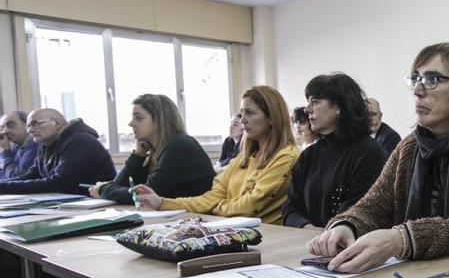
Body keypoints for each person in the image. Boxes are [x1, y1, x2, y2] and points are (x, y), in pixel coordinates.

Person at [307, 42, 449, 273]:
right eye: (416, 79)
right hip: (433, 270)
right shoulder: (410, 145)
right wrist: (348, 225)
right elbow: (373, 205)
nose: (418, 91)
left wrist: (400, 239)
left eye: (432, 79)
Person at [134, 86, 299, 225]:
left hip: (269, 236)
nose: (243, 121)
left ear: (272, 118)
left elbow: (249, 206)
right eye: (242, 114)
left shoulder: (285, 156)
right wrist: (162, 202)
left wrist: (216, 207)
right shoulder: (243, 159)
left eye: (250, 113)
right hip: (232, 229)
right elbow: (210, 198)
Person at [282, 74, 385, 229]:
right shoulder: (309, 155)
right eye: (308, 102)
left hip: (348, 244)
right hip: (307, 241)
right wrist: (307, 228)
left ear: (339, 106)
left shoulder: (369, 153)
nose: (307, 109)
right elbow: (289, 208)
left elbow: (360, 211)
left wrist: (326, 234)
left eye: (315, 102)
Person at [89, 94, 215, 204]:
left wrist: (103, 189)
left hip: (201, 220)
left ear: (160, 121)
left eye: (138, 118)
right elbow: (121, 186)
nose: (131, 123)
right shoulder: (155, 150)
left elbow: (145, 195)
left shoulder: (180, 145)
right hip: (179, 218)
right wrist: (138, 156)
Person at [0, 108, 115, 194]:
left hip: (95, 206)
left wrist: (3, 188)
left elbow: (60, 184)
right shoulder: (46, 145)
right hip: (69, 204)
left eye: (35, 124)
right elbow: (32, 175)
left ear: (57, 123)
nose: (30, 130)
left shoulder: (80, 141)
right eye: (28, 126)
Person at [0, 110, 39, 180]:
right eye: (2, 127)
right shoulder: (17, 145)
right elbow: (5, 172)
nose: (5, 131)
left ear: (27, 124)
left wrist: (5, 152)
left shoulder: (35, 145)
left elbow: (15, 177)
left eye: (10, 125)